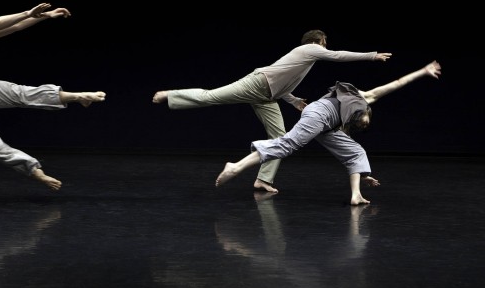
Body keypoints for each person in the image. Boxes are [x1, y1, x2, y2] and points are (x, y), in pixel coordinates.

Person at [152, 29, 392, 192]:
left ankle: (263, 180)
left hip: (268, 96)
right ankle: (170, 95)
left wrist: (295, 101)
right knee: (211, 96)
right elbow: (337, 55)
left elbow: (281, 85)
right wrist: (371, 56)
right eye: (323, 44)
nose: (324, 49)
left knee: (280, 138)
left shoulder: (302, 62)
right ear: (316, 42)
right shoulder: (308, 50)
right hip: (256, 84)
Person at [0, 1, 106, 191]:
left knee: (23, 93)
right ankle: (35, 171)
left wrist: (43, 17)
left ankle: (79, 97)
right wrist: (28, 12)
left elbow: (14, 27)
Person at [215, 60, 442, 205]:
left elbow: (346, 150)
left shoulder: (345, 120)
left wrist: (365, 175)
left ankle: (356, 195)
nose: (363, 124)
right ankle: (235, 167)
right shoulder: (365, 98)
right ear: (368, 112)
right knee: (287, 144)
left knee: (355, 151)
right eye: (365, 122)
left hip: (326, 124)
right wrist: (423, 71)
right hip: (319, 114)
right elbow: (398, 82)